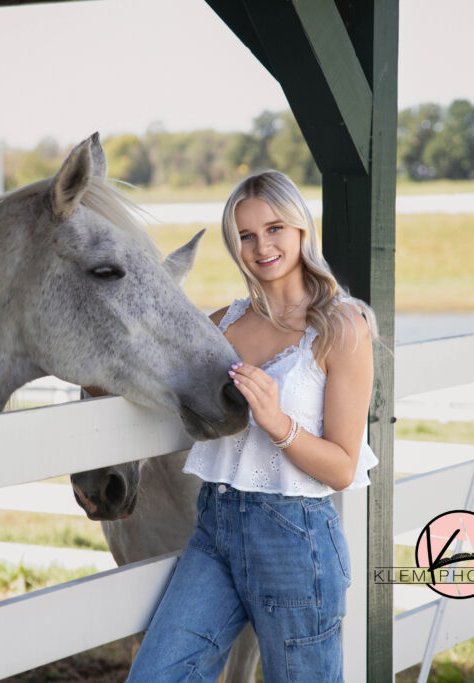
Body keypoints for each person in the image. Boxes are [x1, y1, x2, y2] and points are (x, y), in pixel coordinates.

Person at [126, 170, 380, 682]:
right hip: (216, 526)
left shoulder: (342, 326)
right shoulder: (221, 325)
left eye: (274, 228)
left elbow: (343, 468)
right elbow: (143, 346)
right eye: (245, 235)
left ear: (301, 229)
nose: (261, 246)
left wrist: (277, 422)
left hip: (295, 539)